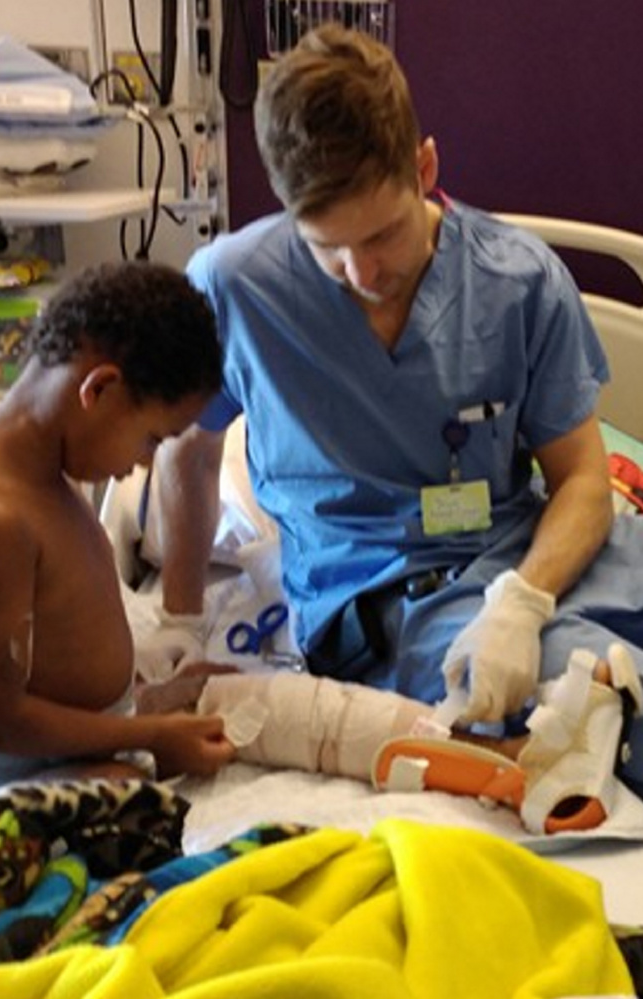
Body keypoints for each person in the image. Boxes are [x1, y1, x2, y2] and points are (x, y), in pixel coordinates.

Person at [148, 22, 643, 794]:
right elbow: (187, 446)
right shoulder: (235, 287)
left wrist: (522, 599)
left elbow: (581, 477)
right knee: (595, 704)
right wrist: (179, 622)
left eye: (382, 233)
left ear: (424, 167)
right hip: (386, 595)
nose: (360, 270)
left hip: (536, 553)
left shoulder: (517, 281)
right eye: (324, 247)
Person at [0, 260, 236, 803]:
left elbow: (58, 668)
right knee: (140, 803)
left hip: (80, 754)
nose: (141, 465)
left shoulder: (50, 484)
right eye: (153, 440)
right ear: (100, 389)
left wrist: (152, 700)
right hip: (14, 794)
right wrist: (150, 737)